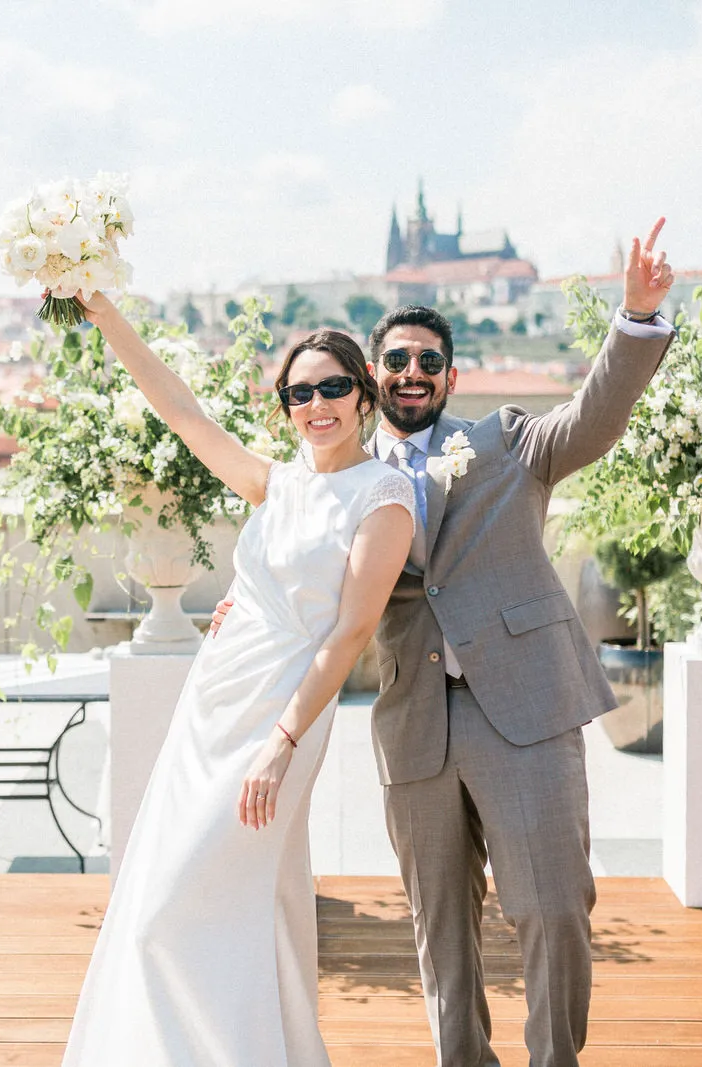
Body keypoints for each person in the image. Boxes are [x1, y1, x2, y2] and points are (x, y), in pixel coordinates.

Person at [210, 219, 676, 1066]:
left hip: (526, 711)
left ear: (450, 376)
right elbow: (297, 560)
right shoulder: (342, 477)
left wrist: (636, 317)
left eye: (429, 360)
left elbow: (595, 417)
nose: (413, 370)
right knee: (439, 926)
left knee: (554, 906)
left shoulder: (506, 442)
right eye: (397, 359)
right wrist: (241, 604)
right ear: (371, 376)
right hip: (414, 719)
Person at [60, 291, 417, 1066]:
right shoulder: (278, 482)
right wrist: (107, 315)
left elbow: (351, 631)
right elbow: (182, 412)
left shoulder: (384, 497)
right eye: (299, 392)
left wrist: (283, 740)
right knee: (245, 899)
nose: (316, 404)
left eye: (332, 387)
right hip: (213, 703)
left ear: (363, 393)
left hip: (280, 714)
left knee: (175, 903)